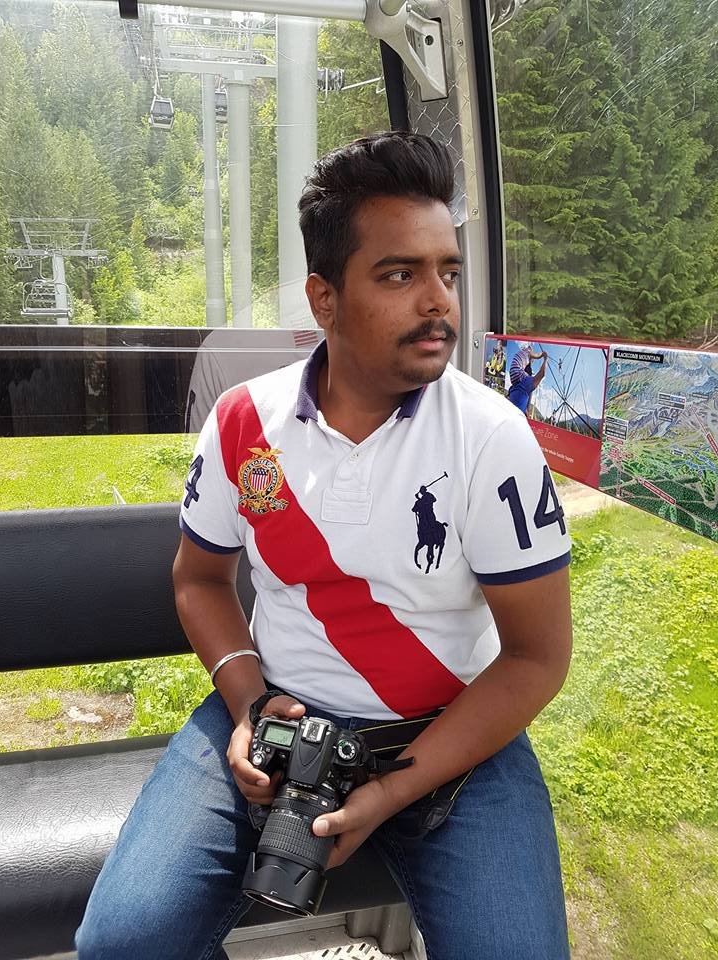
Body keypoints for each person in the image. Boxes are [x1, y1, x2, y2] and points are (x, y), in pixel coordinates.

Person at [75, 132, 572, 960]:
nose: (439, 302)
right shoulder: (243, 421)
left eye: (448, 272)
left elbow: (535, 656)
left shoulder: (493, 439)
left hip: (455, 743)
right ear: (324, 298)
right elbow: (200, 581)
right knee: (124, 944)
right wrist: (248, 707)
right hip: (278, 719)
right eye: (400, 275)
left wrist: (391, 789)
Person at [508, 341, 548, 415]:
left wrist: (526, 412)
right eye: (532, 361)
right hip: (517, 373)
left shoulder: (513, 387)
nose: (532, 362)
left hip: (513, 375)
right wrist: (544, 357)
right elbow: (542, 373)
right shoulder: (528, 352)